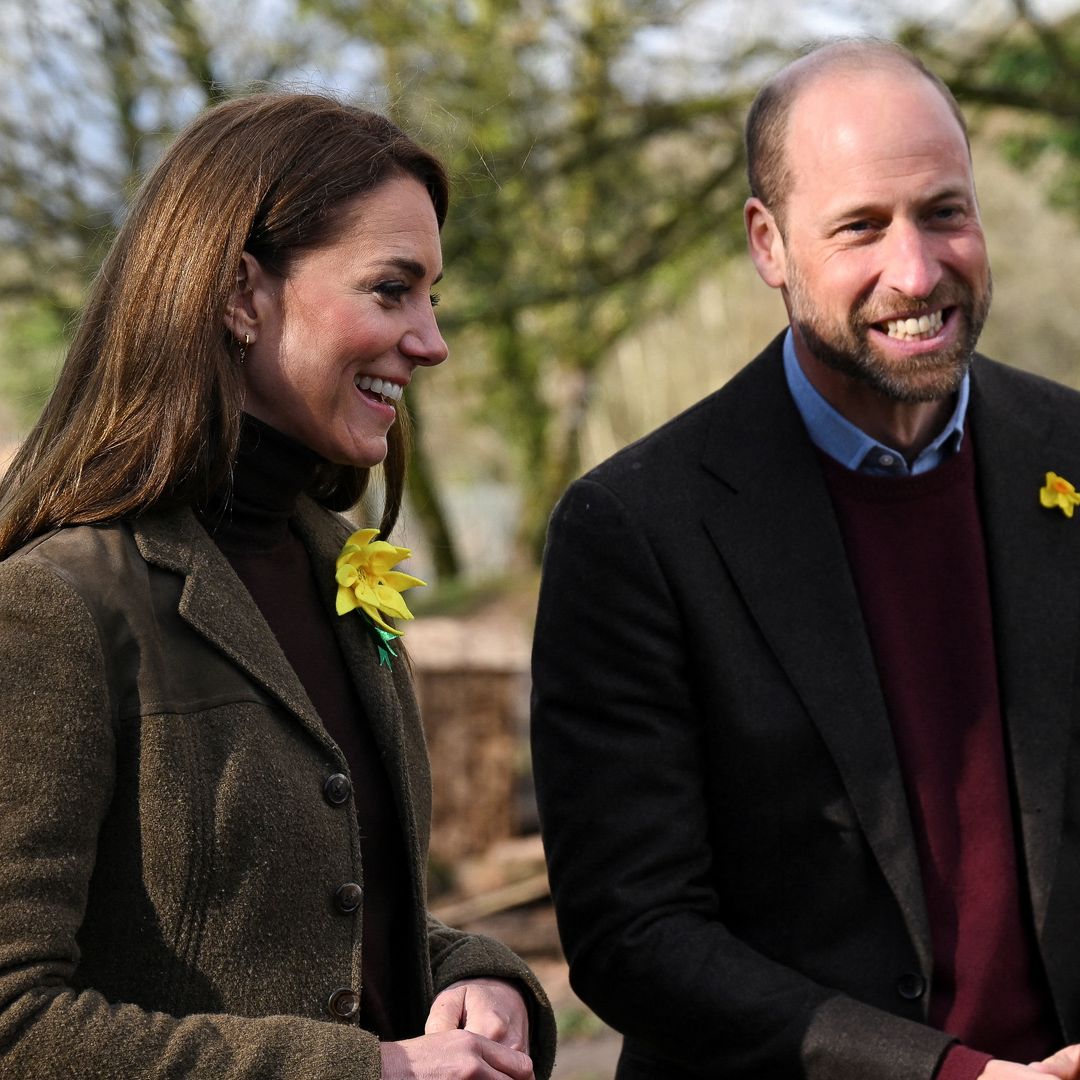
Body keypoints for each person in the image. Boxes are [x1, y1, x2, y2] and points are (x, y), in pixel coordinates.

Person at [531, 38, 1080, 1080]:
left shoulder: (1073, 458)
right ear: (769, 244)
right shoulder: (637, 530)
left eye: (944, 211)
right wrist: (944, 1076)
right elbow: (634, 935)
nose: (916, 271)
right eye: (861, 228)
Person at [0, 92, 555, 1080]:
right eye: (391, 290)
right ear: (239, 293)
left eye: (431, 296)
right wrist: (374, 1072)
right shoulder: (54, 608)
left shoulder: (339, 569)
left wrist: (478, 977)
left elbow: (322, 923)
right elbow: (15, 1024)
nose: (431, 341)